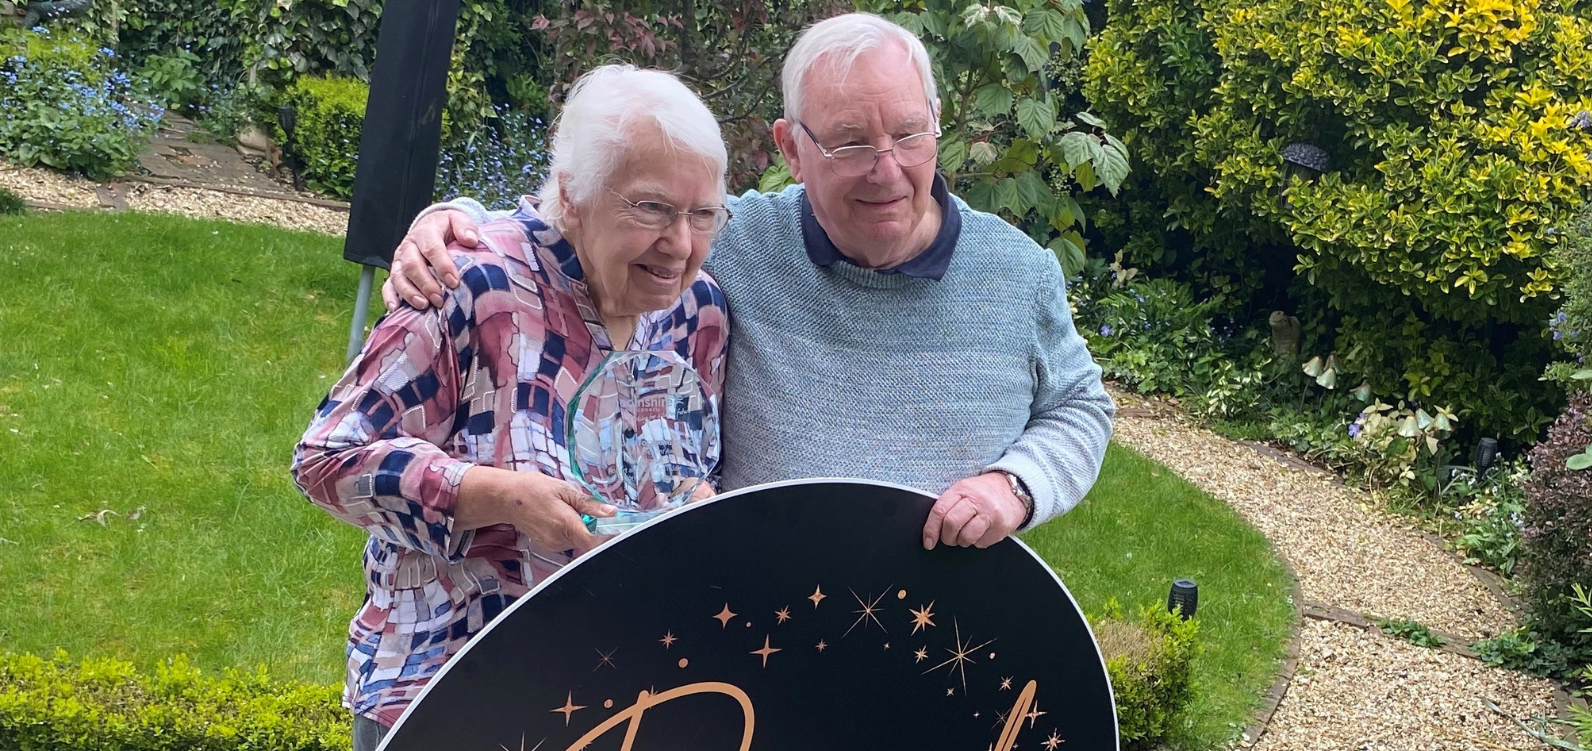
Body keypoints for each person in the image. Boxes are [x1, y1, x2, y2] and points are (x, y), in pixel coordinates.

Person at [386, 12, 1112, 551]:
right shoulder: (732, 241)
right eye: (851, 141)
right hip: (756, 623)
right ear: (791, 148)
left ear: (938, 122)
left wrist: (1014, 485)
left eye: (909, 133)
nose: (887, 168)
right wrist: (455, 218)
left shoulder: (1019, 275)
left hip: (945, 630)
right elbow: (592, 213)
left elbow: (1081, 406)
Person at [293, 66, 732, 751]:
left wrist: (693, 507)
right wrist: (498, 496)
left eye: (703, 214)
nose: (680, 243)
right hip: (449, 696)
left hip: (621, 705)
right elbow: (328, 458)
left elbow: (685, 470)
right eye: (650, 209)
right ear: (572, 195)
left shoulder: (697, 309)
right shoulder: (472, 282)